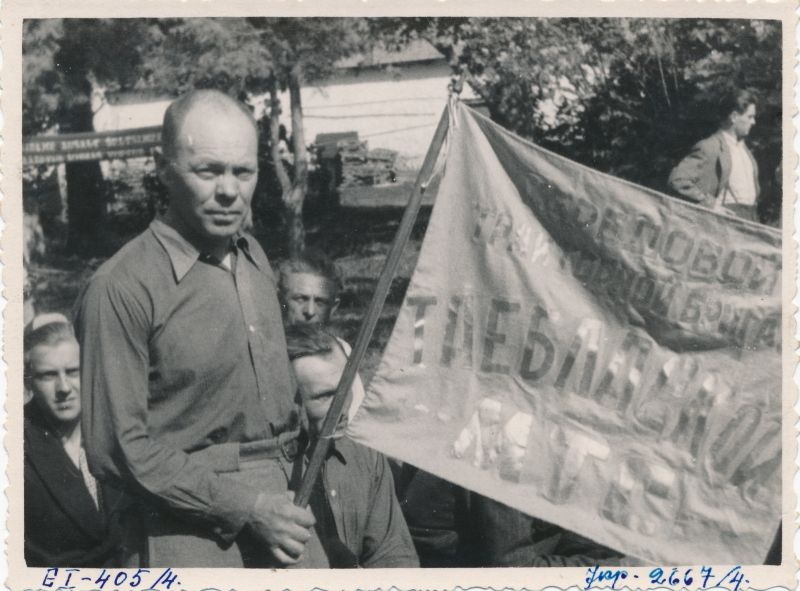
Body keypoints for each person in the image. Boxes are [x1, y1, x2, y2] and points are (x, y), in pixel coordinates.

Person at [75, 90, 327, 568]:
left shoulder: (253, 257)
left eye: (243, 171)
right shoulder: (121, 287)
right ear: (163, 168)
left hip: (289, 511)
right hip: (186, 530)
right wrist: (247, 508)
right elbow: (116, 452)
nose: (229, 190)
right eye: (208, 171)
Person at [286, 324, 419, 568]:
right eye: (324, 396)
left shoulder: (365, 454)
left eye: (345, 389)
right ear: (289, 399)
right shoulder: (270, 465)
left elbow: (392, 554)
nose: (341, 408)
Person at [24, 313, 123, 567]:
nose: (64, 387)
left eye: (72, 371)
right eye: (48, 375)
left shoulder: (117, 426)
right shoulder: (15, 448)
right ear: (29, 382)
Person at [278, 251, 365, 421]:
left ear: (334, 307)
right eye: (300, 299)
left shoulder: (340, 352)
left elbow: (354, 418)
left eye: (320, 302)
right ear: (280, 300)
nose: (309, 312)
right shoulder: (265, 351)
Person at [668, 87, 760, 221]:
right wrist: (710, 205)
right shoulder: (709, 147)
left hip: (750, 224)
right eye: (750, 116)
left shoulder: (746, 152)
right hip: (723, 224)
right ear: (734, 117)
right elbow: (677, 180)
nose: (754, 122)